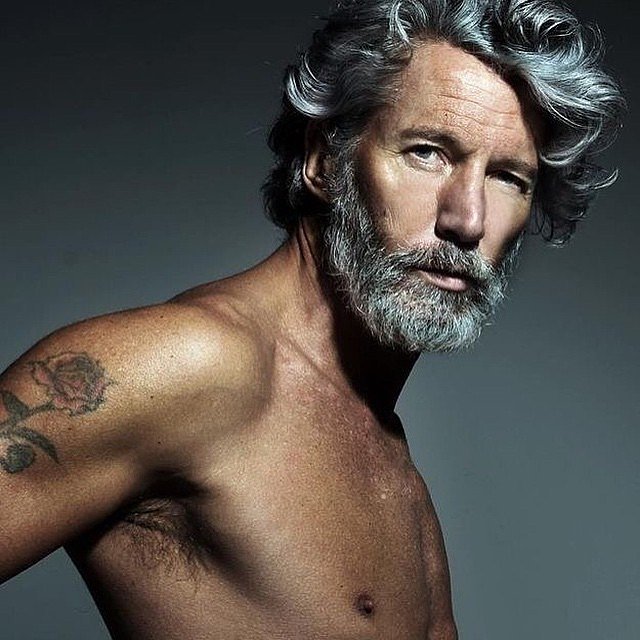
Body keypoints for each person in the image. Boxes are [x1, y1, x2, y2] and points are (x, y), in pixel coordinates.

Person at [0, 0, 624, 638]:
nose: (467, 219)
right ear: (325, 160)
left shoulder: (387, 455)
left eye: (508, 178)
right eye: (427, 152)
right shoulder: (186, 364)